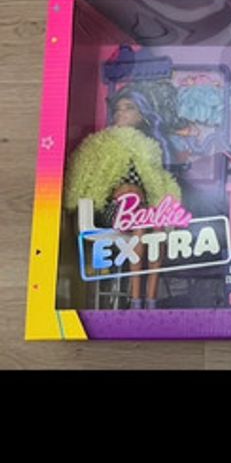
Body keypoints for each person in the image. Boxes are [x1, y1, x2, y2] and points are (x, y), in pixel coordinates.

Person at [64, 91, 182, 309]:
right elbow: (82, 176)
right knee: (140, 223)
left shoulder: (149, 147)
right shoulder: (100, 144)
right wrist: (77, 202)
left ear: (142, 115)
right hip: (112, 211)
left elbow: (161, 183)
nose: (121, 113)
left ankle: (151, 299)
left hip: (141, 211)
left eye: (129, 108)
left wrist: (169, 207)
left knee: (156, 227)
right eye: (118, 109)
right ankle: (136, 299)